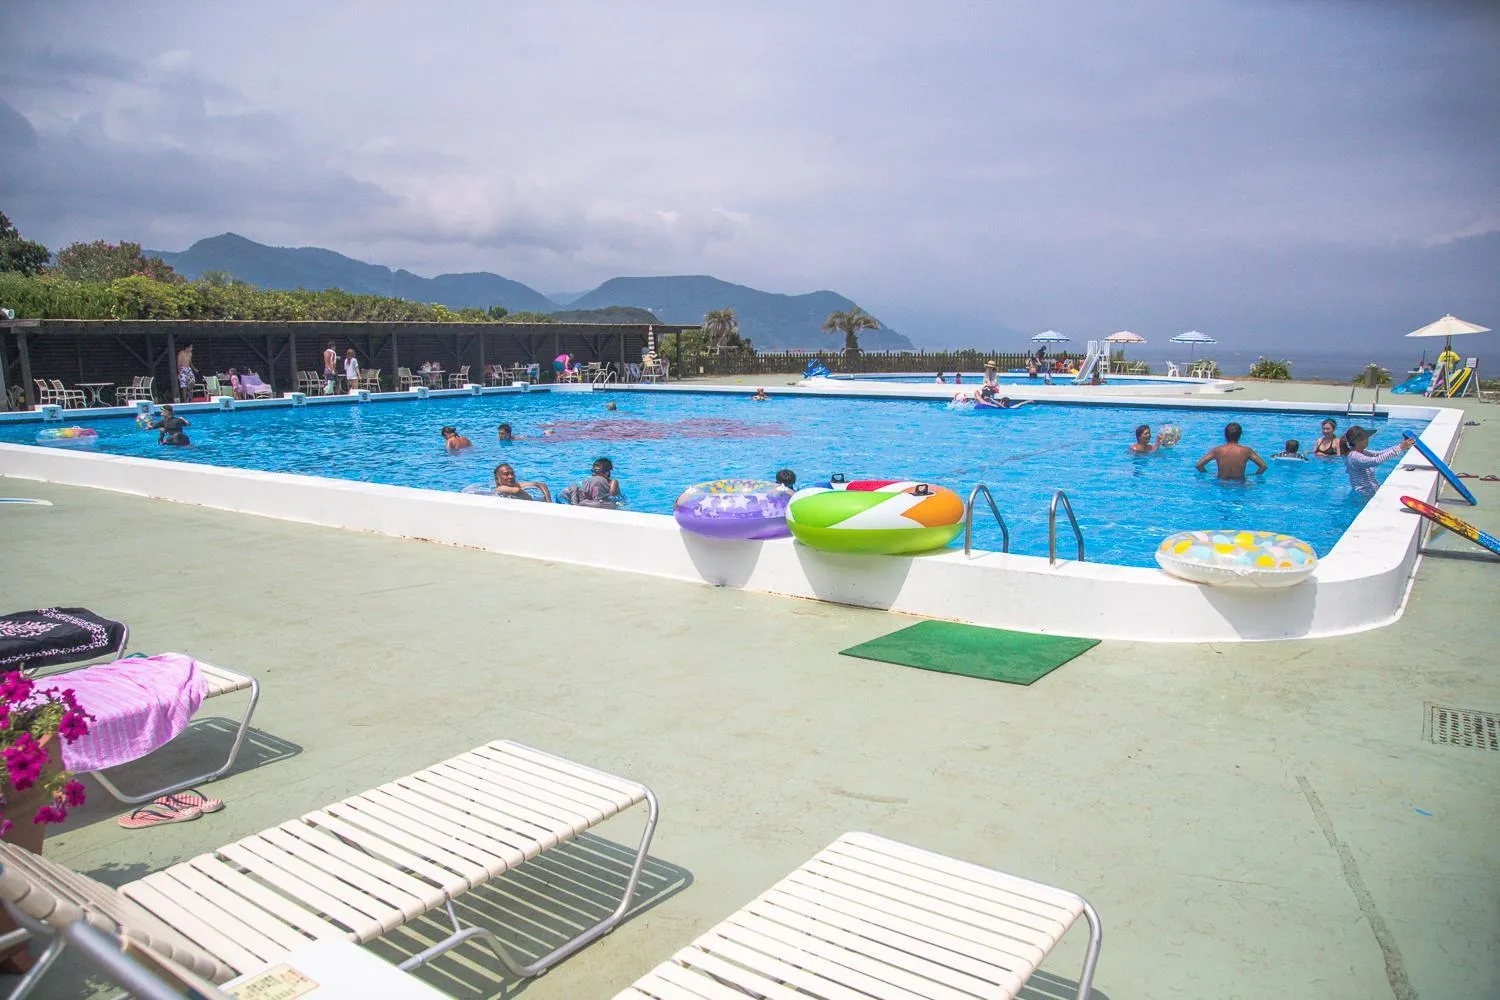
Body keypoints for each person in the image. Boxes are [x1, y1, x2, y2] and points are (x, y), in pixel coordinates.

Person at [1344, 426, 1413, 498]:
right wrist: (1400, 448)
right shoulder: (1355, 456)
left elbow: (1379, 454)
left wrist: (1400, 447)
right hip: (1363, 494)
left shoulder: (1362, 452)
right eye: (1364, 438)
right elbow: (1375, 461)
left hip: (1368, 491)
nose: (1367, 439)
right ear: (1356, 441)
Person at [1195, 422, 1267, 480]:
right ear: (1240, 435)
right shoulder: (1247, 451)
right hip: (1240, 484)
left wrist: (1209, 475)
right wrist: (1253, 476)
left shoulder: (1217, 450)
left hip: (1222, 483)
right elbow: (1263, 466)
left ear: (1225, 435)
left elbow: (1199, 465)